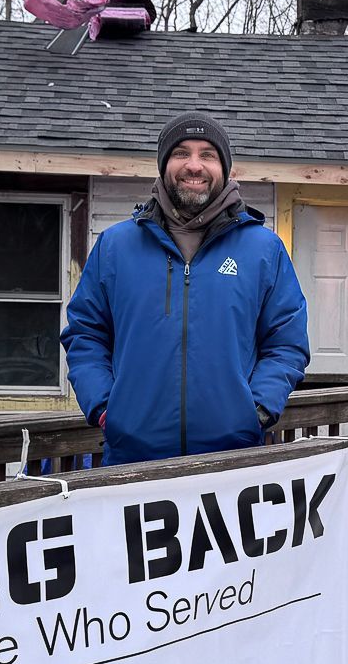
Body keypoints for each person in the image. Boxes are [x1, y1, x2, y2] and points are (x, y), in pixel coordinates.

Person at [62, 113, 309, 465]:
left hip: (232, 462)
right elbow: (86, 335)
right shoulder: (116, 246)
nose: (194, 165)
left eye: (208, 154)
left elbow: (287, 342)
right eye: (181, 153)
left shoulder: (263, 250)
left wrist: (256, 410)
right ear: (164, 165)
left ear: (225, 168)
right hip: (131, 461)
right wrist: (105, 407)